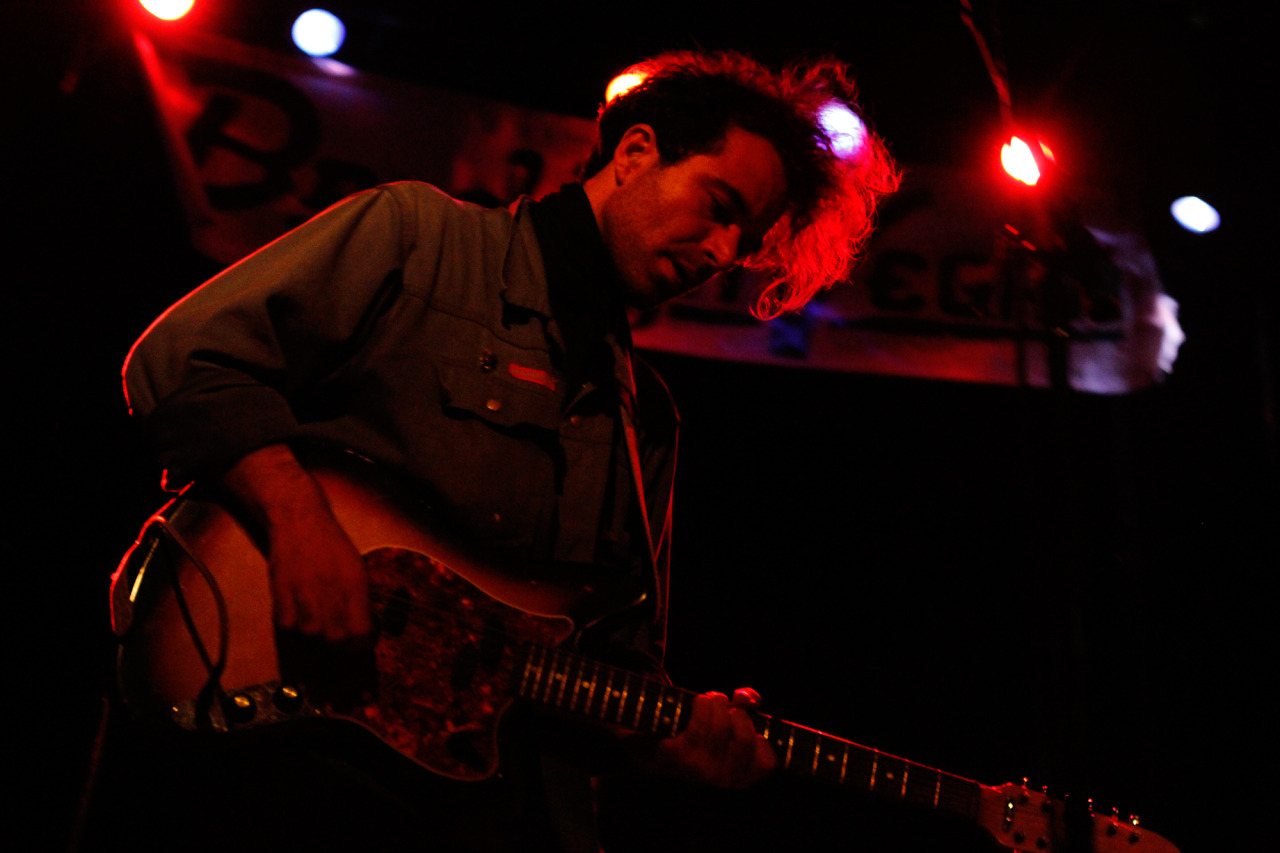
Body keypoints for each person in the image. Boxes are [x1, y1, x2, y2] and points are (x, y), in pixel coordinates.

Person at [94, 50, 898, 852]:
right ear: (636, 153)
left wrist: (676, 736)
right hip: (283, 773)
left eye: (746, 240)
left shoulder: (645, 417)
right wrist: (299, 522)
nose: (723, 252)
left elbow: (607, 675)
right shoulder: (419, 237)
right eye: (719, 205)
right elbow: (184, 355)